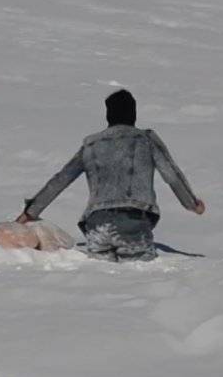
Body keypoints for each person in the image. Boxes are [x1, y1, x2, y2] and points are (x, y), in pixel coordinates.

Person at [16, 90, 205, 261]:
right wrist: (192, 204)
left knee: (104, 281)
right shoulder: (145, 139)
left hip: (97, 224)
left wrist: (29, 213)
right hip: (133, 219)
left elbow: (61, 179)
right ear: (134, 114)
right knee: (137, 280)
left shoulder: (91, 145)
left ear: (108, 115)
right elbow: (171, 174)